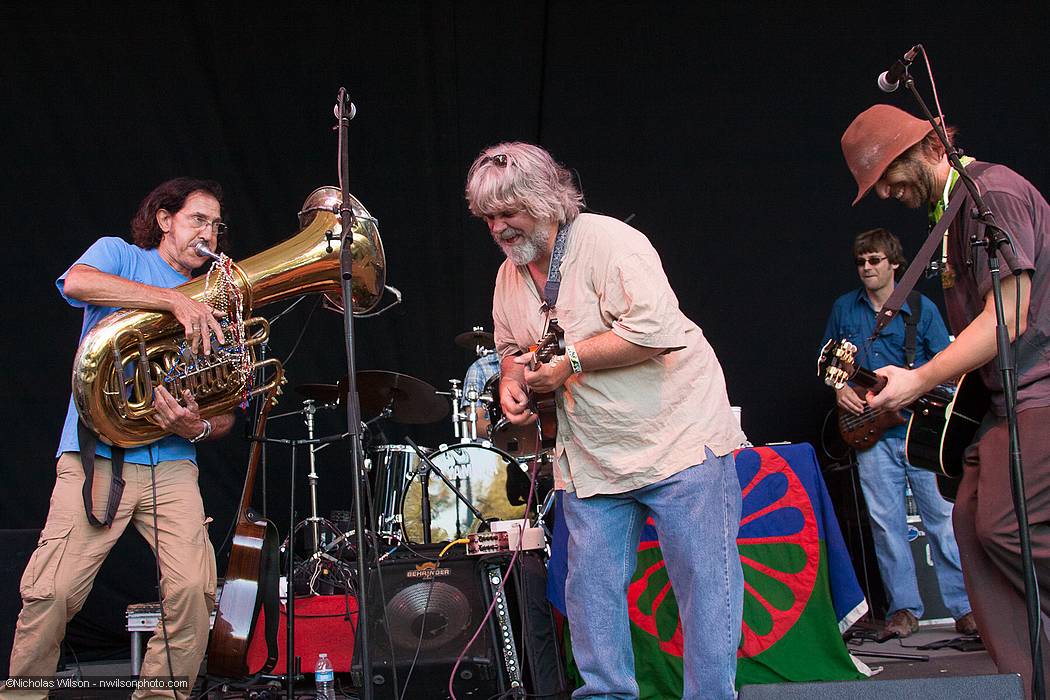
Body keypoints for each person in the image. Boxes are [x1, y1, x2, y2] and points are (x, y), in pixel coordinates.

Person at [465, 143, 746, 700]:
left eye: (507, 212)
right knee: (590, 593)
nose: (498, 227)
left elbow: (654, 331)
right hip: (593, 455)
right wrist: (511, 383)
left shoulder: (611, 242)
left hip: (678, 436)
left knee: (704, 587)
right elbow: (506, 347)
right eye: (488, 217)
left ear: (544, 201)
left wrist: (569, 362)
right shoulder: (507, 275)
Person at [841, 104, 1050, 695]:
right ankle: (1030, 684)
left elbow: (1007, 316)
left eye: (888, 172)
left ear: (930, 147)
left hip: (1039, 393)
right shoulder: (949, 219)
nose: (885, 191)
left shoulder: (994, 193)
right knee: (969, 526)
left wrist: (921, 378)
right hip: (1001, 404)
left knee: (1005, 528)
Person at [1, 178, 236, 700]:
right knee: (52, 591)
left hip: (173, 460)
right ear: (164, 219)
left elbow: (226, 414)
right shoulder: (120, 255)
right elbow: (77, 282)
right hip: (98, 456)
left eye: (217, 225)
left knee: (195, 592)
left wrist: (194, 425)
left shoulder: (221, 298)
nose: (210, 232)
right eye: (199, 219)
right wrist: (174, 302)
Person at [822, 227, 975, 638]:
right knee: (886, 525)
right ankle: (903, 610)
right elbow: (829, 360)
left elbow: (948, 370)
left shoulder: (922, 310)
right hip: (870, 434)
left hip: (917, 433)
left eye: (875, 260)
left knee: (941, 519)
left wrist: (911, 385)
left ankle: (964, 608)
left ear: (894, 264)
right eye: (861, 261)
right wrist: (840, 390)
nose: (867, 267)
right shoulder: (844, 308)